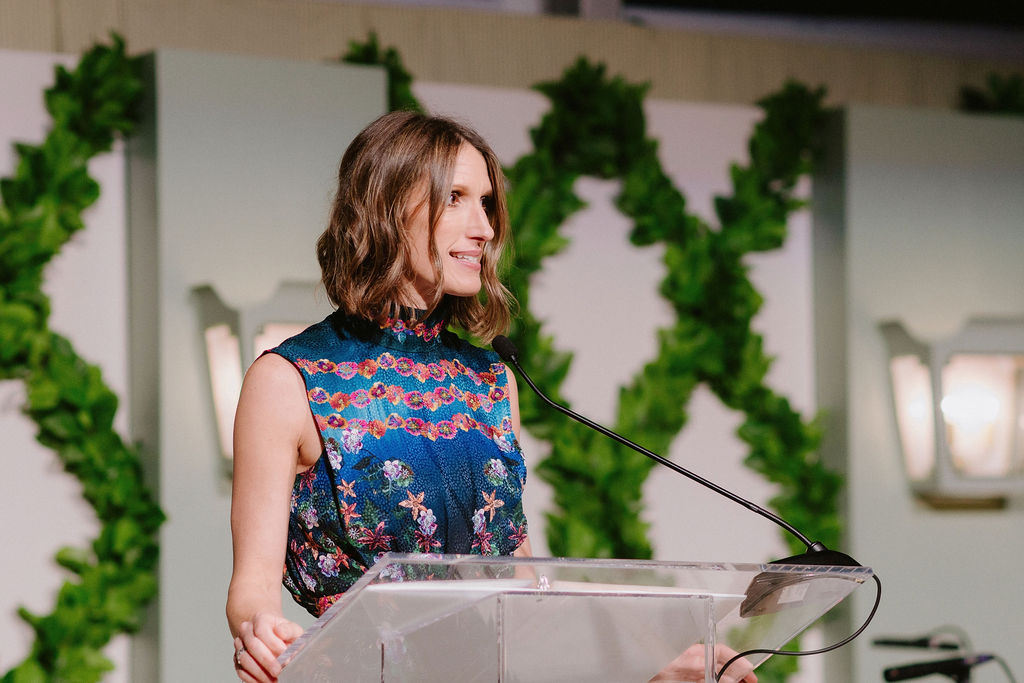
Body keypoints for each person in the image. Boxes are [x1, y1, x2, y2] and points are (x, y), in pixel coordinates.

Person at [226, 109, 756, 683]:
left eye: (485, 202)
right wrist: (262, 632)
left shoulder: (492, 379)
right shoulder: (290, 380)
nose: (483, 227)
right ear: (386, 209)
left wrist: (661, 660)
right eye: (454, 198)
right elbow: (252, 590)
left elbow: (522, 594)